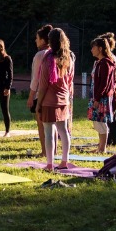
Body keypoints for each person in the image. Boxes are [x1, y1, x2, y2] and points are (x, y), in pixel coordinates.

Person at [37, 27, 74, 172]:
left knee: (49, 132)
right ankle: (65, 160)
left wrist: (38, 103)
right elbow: (70, 80)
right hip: (64, 99)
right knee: (63, 130)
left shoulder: (48, 59)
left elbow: (44, 84)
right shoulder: (68, 58)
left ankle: (50, 164)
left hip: (49, 101)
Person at [88, 34, 116, 154]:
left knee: (101, 122)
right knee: (98, 122)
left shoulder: (105, 63)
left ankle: (102, 148)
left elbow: (104, 83)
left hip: (100, 98)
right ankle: (100, 147)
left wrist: (97, 98)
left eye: (93, 47)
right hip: (97, 96)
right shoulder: (100, 62)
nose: (92, 49)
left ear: (100, 48)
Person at [26, 24, 53, 157]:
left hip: (41, 95)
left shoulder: (40, 55)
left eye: (37, 38)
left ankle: (44, 151)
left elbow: (36, 78)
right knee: (53, 125)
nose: (35, 41)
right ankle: (52, 151)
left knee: (42, 125)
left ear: (43, 40)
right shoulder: (56, 53)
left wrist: (31, 96)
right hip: (55, 94)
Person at [100, 32, 116, 147]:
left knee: (112, 115)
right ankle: (112, 139)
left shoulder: (110, 58)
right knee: (110, 115)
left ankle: (113, 140)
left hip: (112, 90)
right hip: (112, 89)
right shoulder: (110, 58)